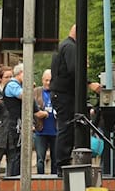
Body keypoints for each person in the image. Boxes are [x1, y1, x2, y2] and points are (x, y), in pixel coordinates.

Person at [50, 25, 101, 169]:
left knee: (69, 127)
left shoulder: (64, 46)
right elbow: (75, 69)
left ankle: (64, 161)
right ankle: (62, 163)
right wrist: (89, 83)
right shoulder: (71, 47)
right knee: (67, 127)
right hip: (65, 95)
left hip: (63, 94)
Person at [1, 62, 24, 177]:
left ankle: (16, 176)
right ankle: (14, 177)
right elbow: (24, 95)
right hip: (14, 122)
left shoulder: (18, 85)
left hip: (17, 121)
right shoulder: (13, 85)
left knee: (19, 152)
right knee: (16, 152)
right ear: (20, 73)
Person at [33, 69, 57, 175]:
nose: (48, 83)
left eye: (50, 80)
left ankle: (54, 180)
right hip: (40, 130)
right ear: (42, 80)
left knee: (55, 159)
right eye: (46, 80)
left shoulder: (57, 92)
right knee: (40, 159)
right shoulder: (36, 92)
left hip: (55, 130)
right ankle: (40, 178)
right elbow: (29, 109)